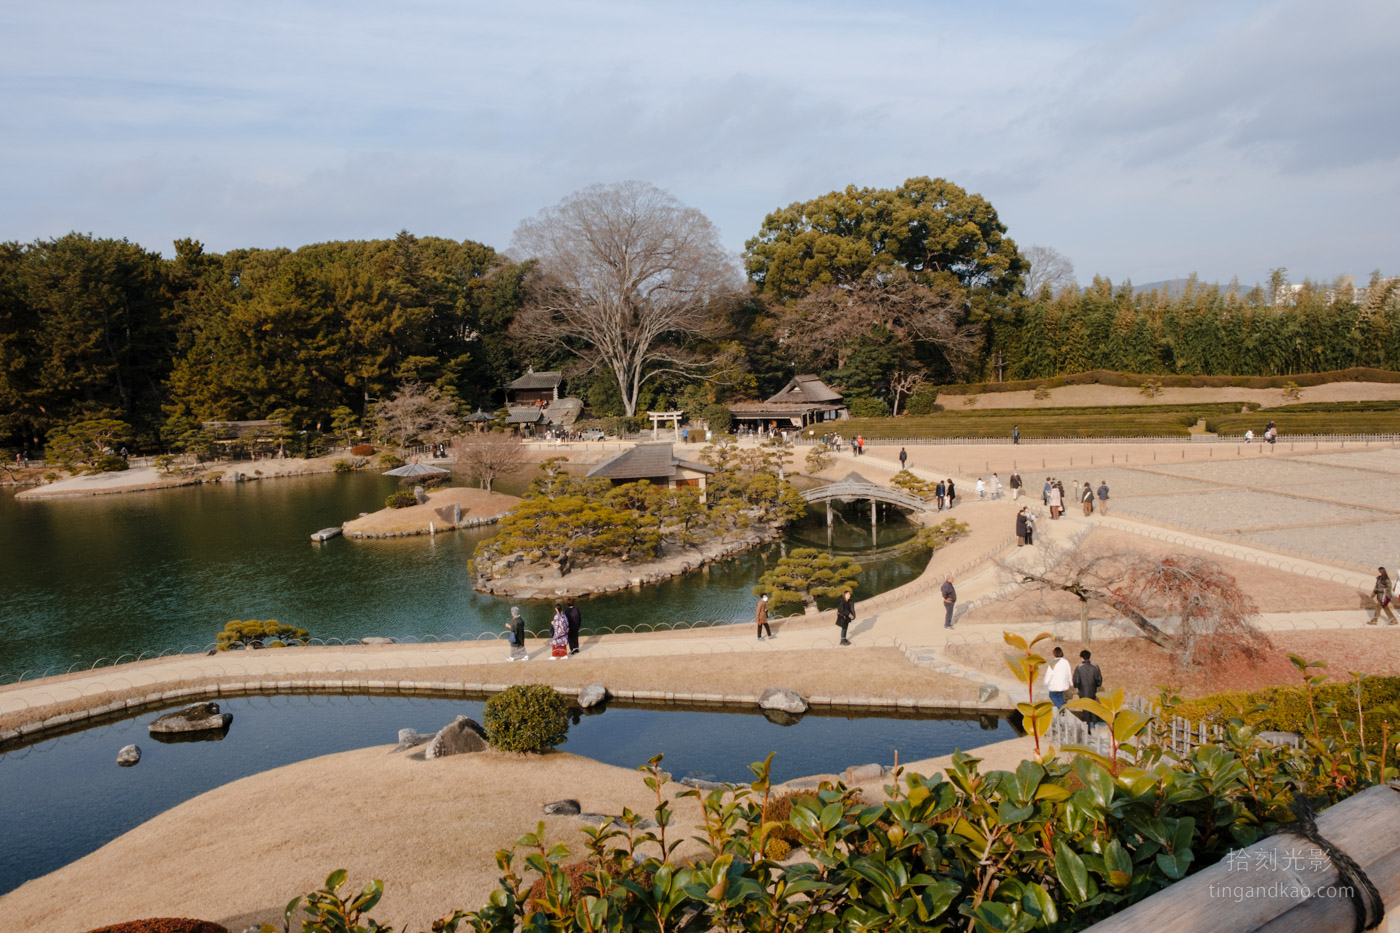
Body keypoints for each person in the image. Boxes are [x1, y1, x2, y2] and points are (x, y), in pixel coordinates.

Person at [1073, 650, 1103, 731]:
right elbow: (1099, 681)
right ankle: (1095, 725)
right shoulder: (1096, 667)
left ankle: (1088, 728)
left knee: (1085, 709)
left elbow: (1076, 681)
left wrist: (1078, 687)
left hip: (1083, 691)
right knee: (1092, 707)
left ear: (1081, 658)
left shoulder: (1079, 668)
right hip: (1092, 691)